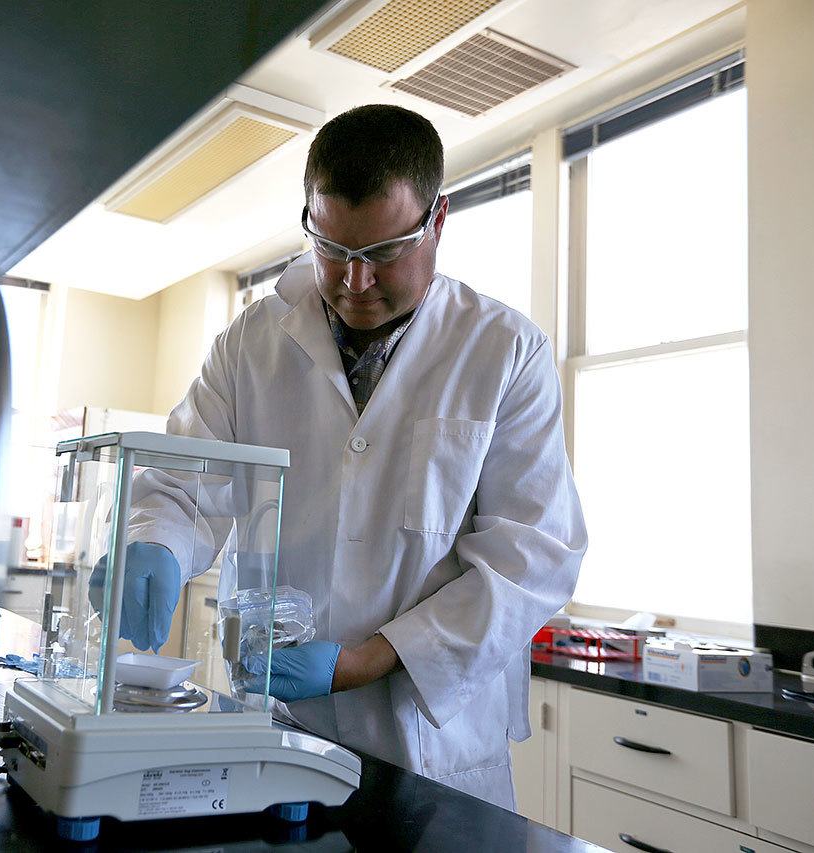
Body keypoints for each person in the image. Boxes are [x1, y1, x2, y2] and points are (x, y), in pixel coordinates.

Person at [104, 104, 586, 810]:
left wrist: (365, 661)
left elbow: (532, 558)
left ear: (439, 219)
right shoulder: (252, 344)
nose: (355, 283)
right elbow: (181, 482)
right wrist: (156, 544)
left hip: (430, 751)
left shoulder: (504, 351)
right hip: (277, 731)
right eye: (332, 250)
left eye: (384, 253)